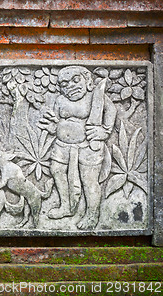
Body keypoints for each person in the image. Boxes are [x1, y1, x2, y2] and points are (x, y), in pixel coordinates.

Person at [38, 66, 116, 230]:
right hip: (62, 146)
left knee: (88, 180)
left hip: (87, 147)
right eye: (64, 84)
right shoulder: (60, 100)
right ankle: (66, 206)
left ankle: (92, 215)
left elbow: (111, 110)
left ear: (88, 81)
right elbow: (58, 121)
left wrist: (105, 130)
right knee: (57, 171)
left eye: (75, 80)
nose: (70, 86)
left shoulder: (95, 97)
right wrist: (53, 127)